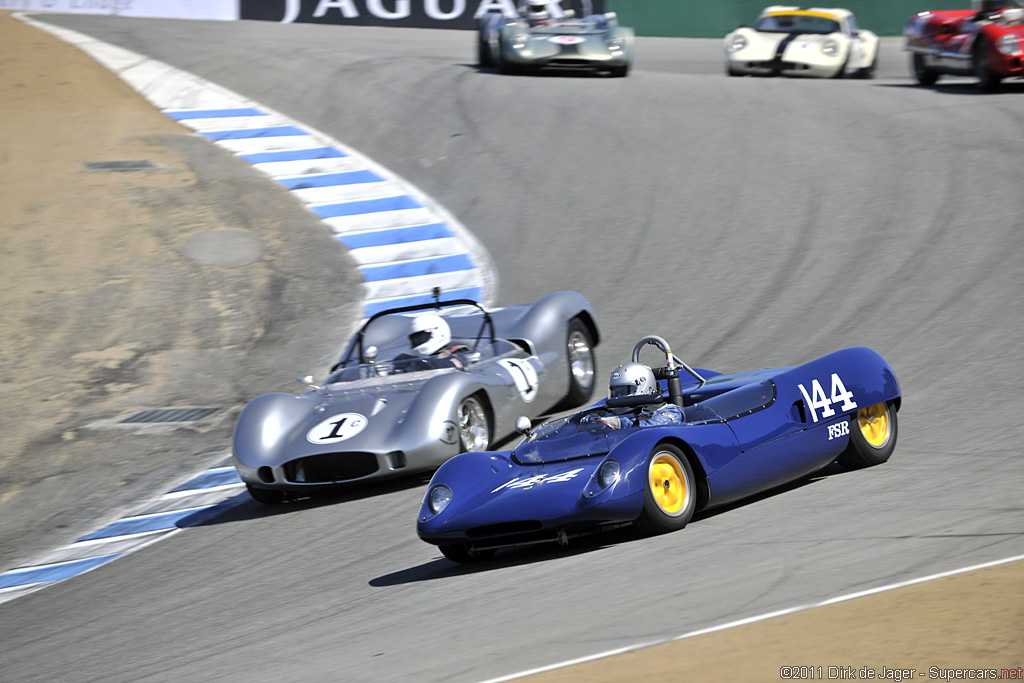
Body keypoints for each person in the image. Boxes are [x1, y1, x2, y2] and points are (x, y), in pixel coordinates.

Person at [592, 362, 684, 429]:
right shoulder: (610, 414)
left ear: (644, 387)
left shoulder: (670, 411)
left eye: (624, 391)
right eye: (615, 392)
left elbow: (651, 428)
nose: (618, 397)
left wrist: (619, 423)